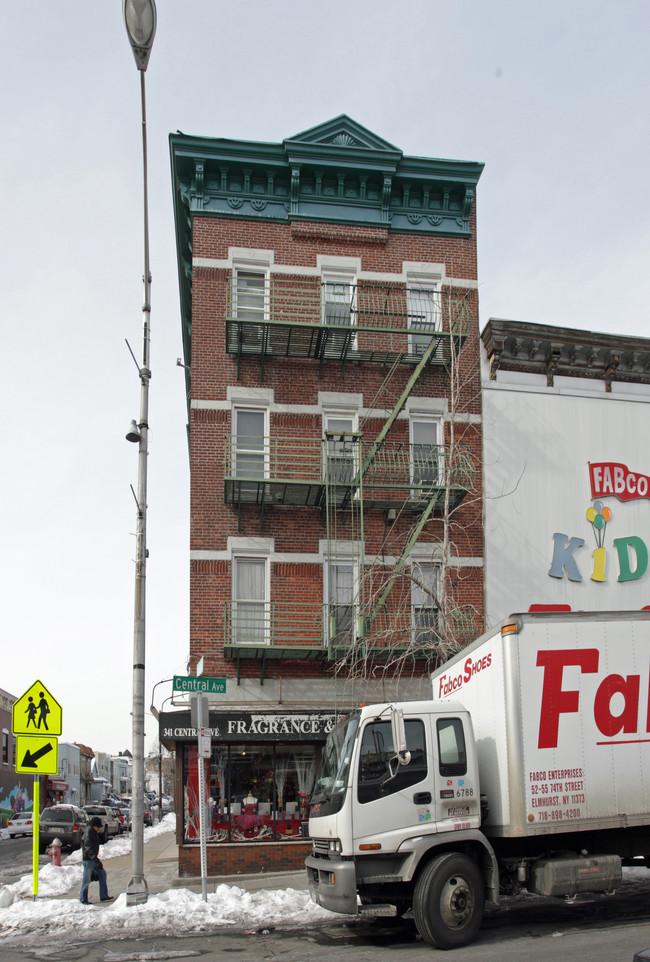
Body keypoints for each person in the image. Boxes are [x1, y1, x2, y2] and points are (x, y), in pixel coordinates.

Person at [80, 816, 113, 905]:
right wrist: (95, 859)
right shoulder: (89, 833)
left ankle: (103, 895)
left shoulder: (93, 831)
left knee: (102, 874)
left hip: (93, 859)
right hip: (89, 860)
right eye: (98, 827)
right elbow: (88, 848)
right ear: (94, 825)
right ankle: (83, 899)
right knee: (86, 880)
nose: (98, 828)